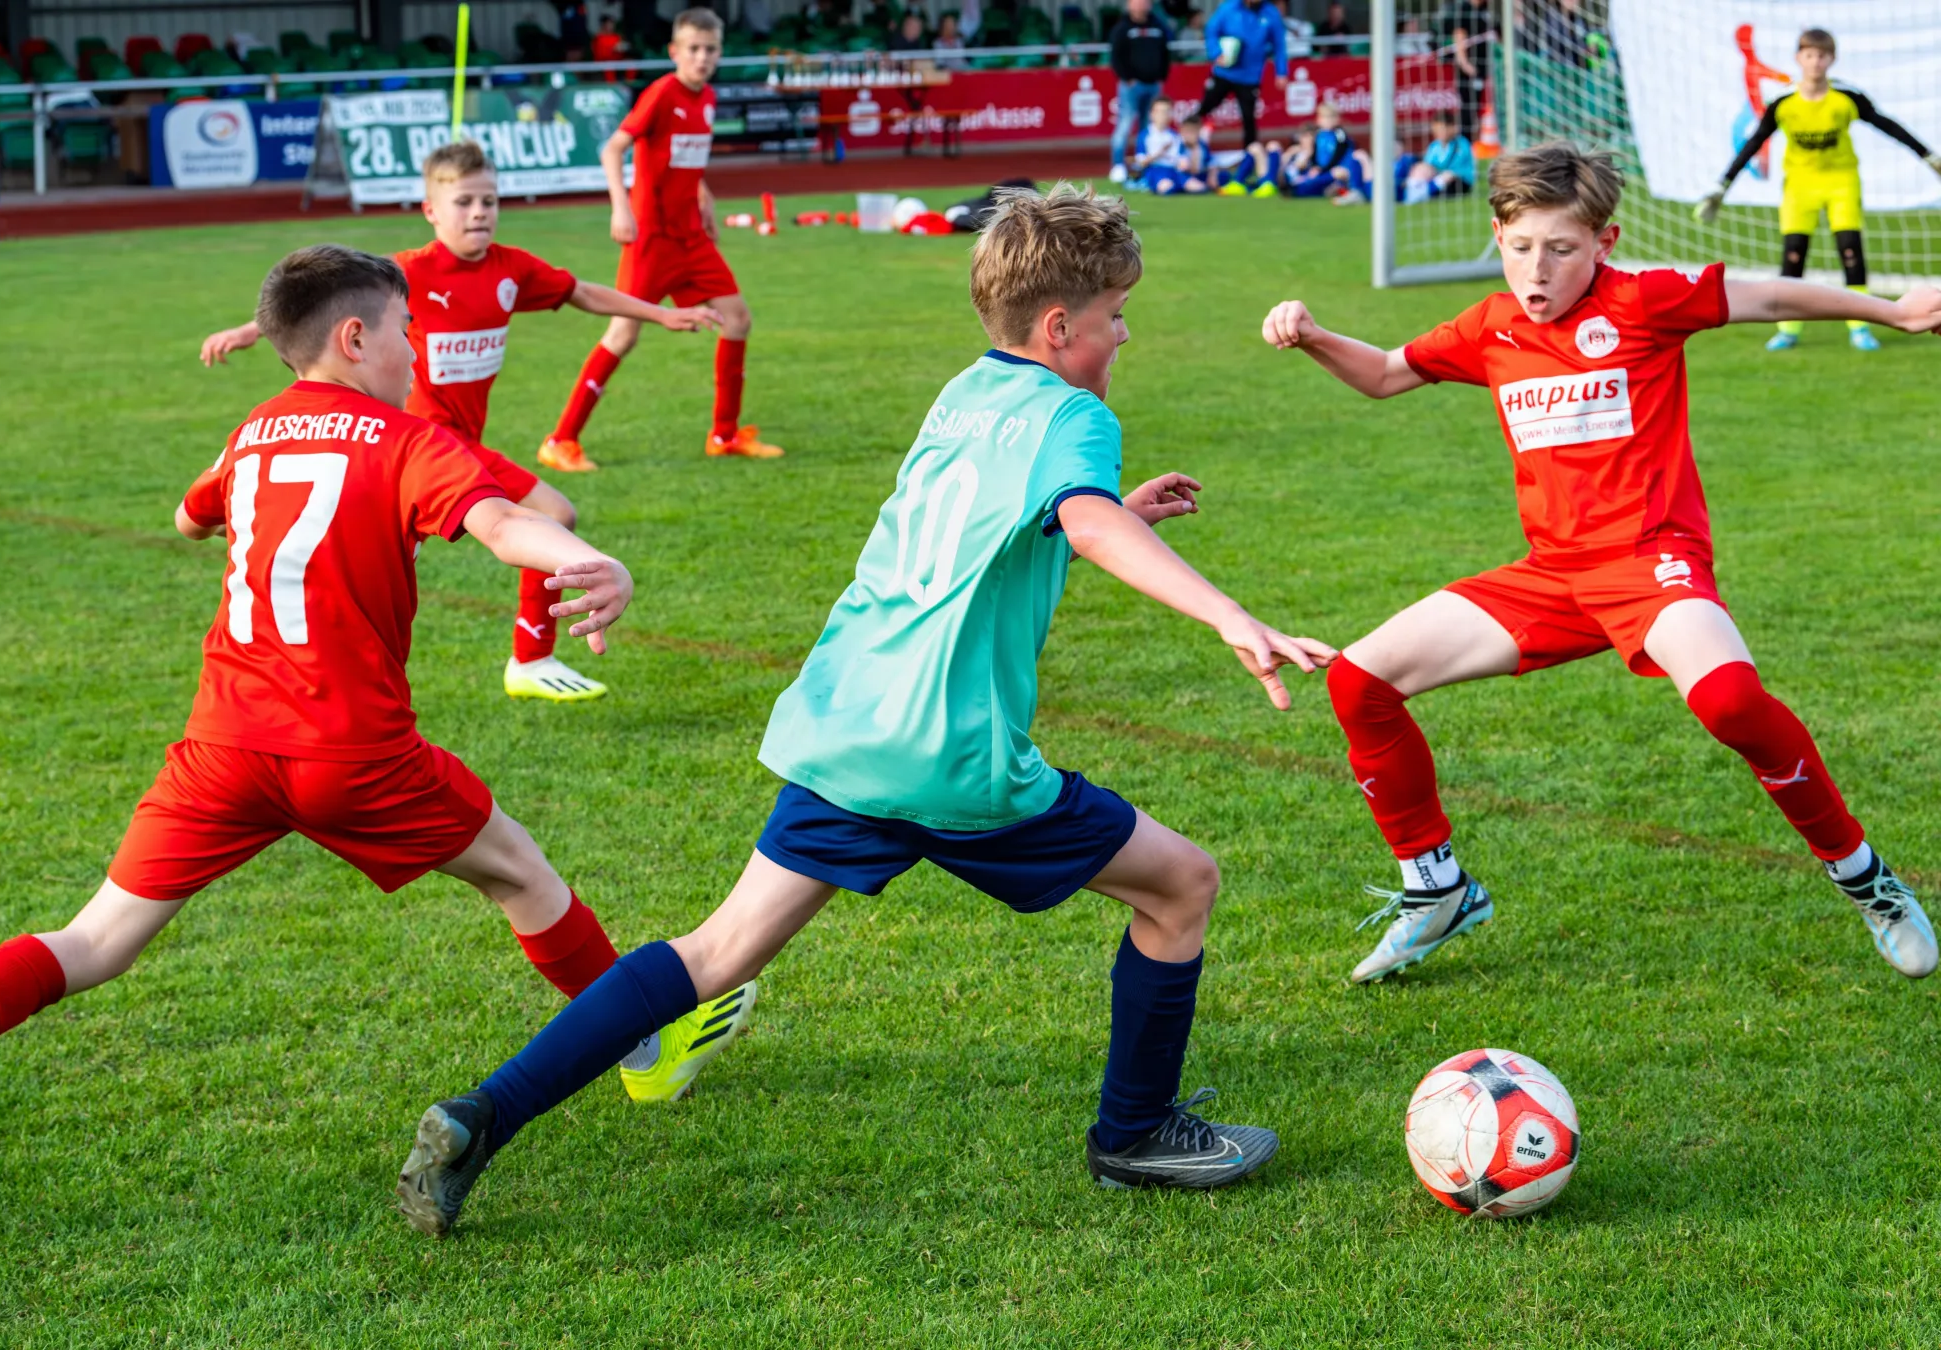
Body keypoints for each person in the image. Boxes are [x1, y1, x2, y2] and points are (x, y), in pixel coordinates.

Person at [392, 184, 1337, 1237]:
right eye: (1115, 315)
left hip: (846, 720)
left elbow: (1040, 512)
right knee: (1180, 889)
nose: (1124, 335)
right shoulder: (1077, 415)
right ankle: (1135, 1132)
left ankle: (481, 1114)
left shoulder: (962, 392)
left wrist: (1119, 510)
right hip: (947, 751)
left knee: (715, 953)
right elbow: (1075, 516)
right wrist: (1224, 614)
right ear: (1059, 327)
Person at [0, 245, 754, 1111]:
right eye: (405, 333)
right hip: (352, 753)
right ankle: (645, 1046)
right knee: (522, 874)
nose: (416, 352)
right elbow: (499, 522)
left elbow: (189, 518)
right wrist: (592, 560)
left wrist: (217, 514)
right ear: (353, 337)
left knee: (94, 941)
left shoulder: (250, 431)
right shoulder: (407, 437)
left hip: (222, 748)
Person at [1261, 142, 1941, 987]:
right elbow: (1389, 373)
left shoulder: (1646, 302)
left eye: (1561, 249)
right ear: (1498, 235)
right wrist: (1316, 334)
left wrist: (1892, 310)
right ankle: (1434, 888)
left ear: (1605, 243)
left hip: (1654, 565)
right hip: (1553, 577)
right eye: (1519, 247)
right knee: (1359, 680)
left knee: (1732, 701)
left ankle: (1867, 881)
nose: (1536, 271)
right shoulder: (1490, 327)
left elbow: (1765, 292)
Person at [200, 141, 716, 705]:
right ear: (430, 211)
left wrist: (661, 312)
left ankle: (510, 652)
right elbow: (321, 301)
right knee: (551, 513)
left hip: (460, 440)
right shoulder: (408, 272)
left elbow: (582, 293)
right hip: (421, 437)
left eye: (489, 201)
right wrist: (251, 330)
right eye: (465, 201)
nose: (479, 213)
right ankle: (531, 658)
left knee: (441, 538)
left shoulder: (512, 269)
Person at [543, 9, 784, 471]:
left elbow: (684, 160)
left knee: (737, 319)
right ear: (675, 52)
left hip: (691, 238)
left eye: (710, 49)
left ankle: (724, 435)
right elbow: (612, 148)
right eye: (693, 49)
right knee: (623, 332)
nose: (702, 57)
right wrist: (621, 207)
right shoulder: (661, 94)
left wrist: (704, 194)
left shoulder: (707, 97)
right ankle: (561, 440)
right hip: (651, 240)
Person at [1697, 28, 1941, 354]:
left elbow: (1888, 125)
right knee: (1794, 254)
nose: (1815, 62)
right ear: (1799, 58)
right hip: (1800, 187)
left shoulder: (1847, 97)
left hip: (1841, 183)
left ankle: (1860, 328)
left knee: (1850, 251)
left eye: (1822, 55)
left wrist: (1928, 156)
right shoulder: (1783, 102)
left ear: (1832, 59)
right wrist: (1722, 185)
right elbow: (1754, 142)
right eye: (1809, 55)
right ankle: (1787, 330)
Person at [1198, 0, 1285, 157]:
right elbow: (1211, 30)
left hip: (1250, 77)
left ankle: (1250, 159)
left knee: (1249, 120)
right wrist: (1216, 53)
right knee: (1204, 110)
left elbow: (1279, 45)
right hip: (1224, 73)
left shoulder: (1270, 13)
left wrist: (1282, 72)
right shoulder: (1228, 7)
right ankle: (1186, 149)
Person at [1107, 0, 1171, 185]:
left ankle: (1143, 164)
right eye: (1137, 2)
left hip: (1153, 84)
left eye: (1144, 2)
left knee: (1148, 127)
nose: (1141, 5)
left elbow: (1165, 52)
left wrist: (1161, 76)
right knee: (1125, 124)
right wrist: (1128, 78)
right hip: (1131, 85)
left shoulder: (1158, 26)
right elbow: (1116, 57)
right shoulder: (1122, 28)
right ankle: (1118, 165)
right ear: (1129, 5)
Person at [1439, 1, 1492, 145]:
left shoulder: (1483, 10)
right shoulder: (1464, 9)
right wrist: (1465, 64)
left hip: (1481, 68)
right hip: (1469, 71)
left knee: (1475, 108)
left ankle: (1471, 141)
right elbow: (1459, 36)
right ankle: (1465, 143)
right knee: (1467, 108)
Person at [1400, 111, 1474, 203]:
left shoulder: (1461, 143)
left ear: (1452, 128)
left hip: (1458, 180)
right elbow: (1428, 164)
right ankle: (1411, 190)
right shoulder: (1434, 146)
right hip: (1438, 178)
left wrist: (1439, 172)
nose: (1439, 133)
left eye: (1442, 129)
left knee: (1447, 179)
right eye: (1437, 129)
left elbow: (1455, 165)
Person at [1129, 95, 1186, 194]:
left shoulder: (1175, 136)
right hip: (1155, 170)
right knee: (1166, 188)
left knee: (1196, 187)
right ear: (1152, 114)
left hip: (1173, 170)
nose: (1163, 115)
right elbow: (1141, 162)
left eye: (1167, 111)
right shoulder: (1145, 135)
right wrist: (1160, 152)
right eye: (1159, 111)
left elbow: (1181, 158)